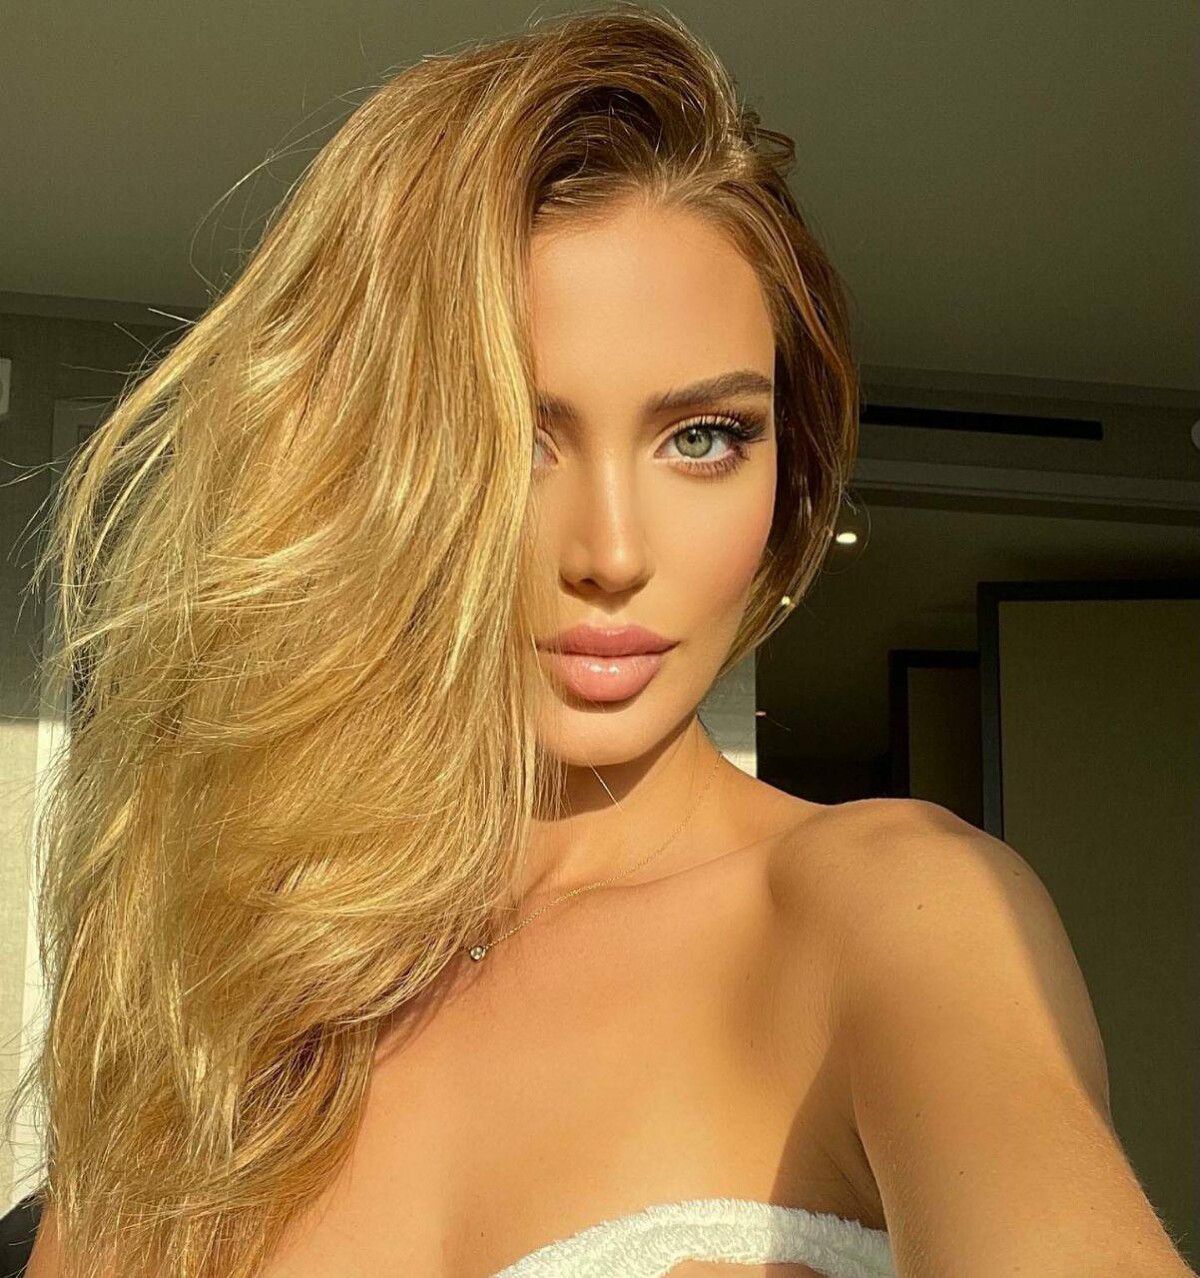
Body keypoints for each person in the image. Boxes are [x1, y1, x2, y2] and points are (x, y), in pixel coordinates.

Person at [17, 5, 1194, 1277]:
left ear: (788, 464)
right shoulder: (208, 985)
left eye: (704, 437)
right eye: (515, 438)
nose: (613, 552)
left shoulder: (896, 913)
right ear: (358, 467)